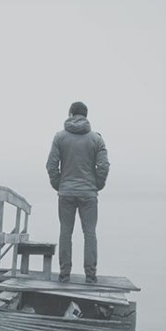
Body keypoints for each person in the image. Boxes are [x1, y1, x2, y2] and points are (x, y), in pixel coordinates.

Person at [45, 101, 110, 283]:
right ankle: (90, 276)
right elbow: (103, 165)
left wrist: (59, 184)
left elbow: (51, 165)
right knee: (89, 233)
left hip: (66, 192)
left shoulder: (60, 137)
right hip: (88, 193)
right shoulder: (96, 139)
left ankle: (64, 274)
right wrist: (96, 185)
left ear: (71, 114)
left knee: (66, 232)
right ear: (86, 116)